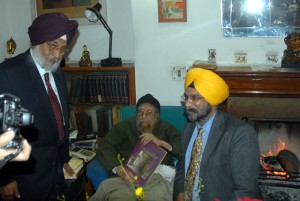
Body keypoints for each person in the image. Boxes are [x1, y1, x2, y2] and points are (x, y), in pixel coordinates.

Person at [0, 12, 78, 201]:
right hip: (25, 179)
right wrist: (5, 179)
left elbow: (59, 120)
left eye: (63, 49)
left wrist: (64, 158)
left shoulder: (57, 74)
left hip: (54, 173)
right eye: (52, 46)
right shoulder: (8, 74)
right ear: (37, 41)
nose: (57, 55)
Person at [173, 68, 262, 201]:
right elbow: (182, 165)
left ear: (212, 101)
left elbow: (245, 189)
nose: (187, 104)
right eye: (186, 97)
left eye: (195, 98)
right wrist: (179, 193)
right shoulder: (188, 130)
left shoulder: (241, 133)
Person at [89, 94, 181, 201]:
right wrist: (117, 168)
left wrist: (161, 143)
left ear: (157, 116)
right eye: (140, 111)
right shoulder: (124, 127)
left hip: (157, 177)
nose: (144, 115)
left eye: (149, 112)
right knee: (115, 196)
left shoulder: (167, 128)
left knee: (157, 196)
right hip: (128, 177)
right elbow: (105, 146)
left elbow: (182, 149)